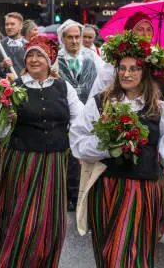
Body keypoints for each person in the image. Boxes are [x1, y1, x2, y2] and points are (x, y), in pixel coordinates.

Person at [70, 32, 164, 267]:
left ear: (145, 74)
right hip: (108, 186)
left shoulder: (158, 107)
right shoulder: (101, 102)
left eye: (133, 69)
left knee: (131, 252)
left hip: (143, 189)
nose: (126, 73)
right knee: (108, 253)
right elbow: (79, 141)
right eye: (122, 68)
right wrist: (110, 147)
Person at [0, 36, 83, 267]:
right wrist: (5, 117)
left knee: (50, 219)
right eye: (30, 55)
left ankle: (44, 261)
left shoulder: (62, 86)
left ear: (50, 59)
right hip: (22, 161)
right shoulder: (13, 87)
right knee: (22, 218)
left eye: (39, 55)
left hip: (55, 162)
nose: (34, 59)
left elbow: (79, 119)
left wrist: (80, 150)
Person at [56, 20, 99, 212]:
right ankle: (65, 194)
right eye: (70, 37)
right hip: (63, 116)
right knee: (66, 157)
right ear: (62, 39)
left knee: (83, 156)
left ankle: (79, 195)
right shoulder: (55, 62)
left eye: (77, 37)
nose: (74, 41)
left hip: (87, 115)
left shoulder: (92, 59)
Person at [0, 12, 25, 77]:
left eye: (12, 24)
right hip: (3, 85)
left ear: (21, 26)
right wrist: (2, 65)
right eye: (6, 24)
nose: (9, 27)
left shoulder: (28, 46)